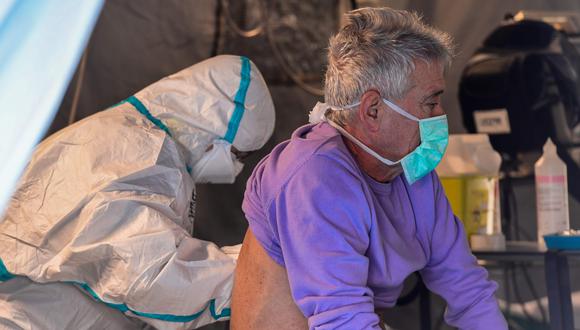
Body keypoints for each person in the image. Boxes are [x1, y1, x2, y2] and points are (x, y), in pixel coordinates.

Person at [231, 7, 508, 330]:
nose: (440, 114)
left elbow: (468, 290)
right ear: (373, 110)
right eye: (430, 102)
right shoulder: (314, 176)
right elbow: (342, 318)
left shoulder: (413, 176)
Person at [0, 54, 275, 329]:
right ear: (213, 123)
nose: (235, 168)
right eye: (238, 154)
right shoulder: (140, 151)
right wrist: (263, 266)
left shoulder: (134, 141)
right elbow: (150, 274)